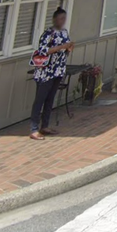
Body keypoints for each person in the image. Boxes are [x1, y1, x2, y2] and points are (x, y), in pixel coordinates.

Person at [28, 8, 73, 139]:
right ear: (54, 19)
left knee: (50, 99)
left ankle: (45, 125)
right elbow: (42, 51)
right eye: (60, 18)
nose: (62, 21)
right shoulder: (49, 33)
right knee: (40, 99)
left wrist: (68, 48)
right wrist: (61, 47)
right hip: (46, 71)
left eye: (64, 18)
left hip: (58, 70)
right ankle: (34, 128)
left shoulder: (64, 32)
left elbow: (65, 50)